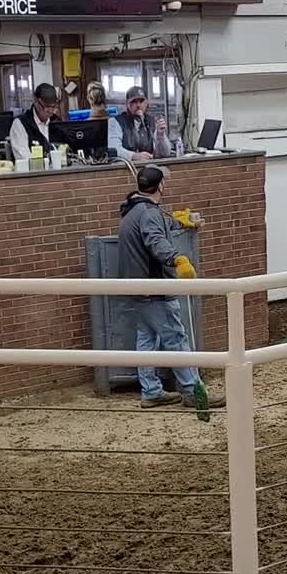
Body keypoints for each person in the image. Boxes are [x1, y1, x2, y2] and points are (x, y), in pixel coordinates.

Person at [117, 165, 225, 410]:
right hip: (156, 289)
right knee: (176, 338)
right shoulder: (149, 213)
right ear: (160, 186)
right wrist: (178, 258)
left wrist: (180, 223)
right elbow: (155, 241)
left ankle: (151, 391)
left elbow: (156, 230)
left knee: (147, 339)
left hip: (138, 288)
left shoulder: (133, 210)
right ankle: (193, 393)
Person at [109, 85, 171, 162]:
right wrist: (133, 156)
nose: (138, 105)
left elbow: (165, 153)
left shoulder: (151, 121)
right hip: (125, 169)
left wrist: (160, 136)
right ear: (127, 104)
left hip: (149, 167)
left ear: (146, 103)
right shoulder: (115, 122)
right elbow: (113, 149)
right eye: (134, 102)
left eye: (141, 101)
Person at [9, 83, 64, 160]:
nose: (50, 111)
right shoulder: (21, 124)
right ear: (35, 101)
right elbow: (23, 158)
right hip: (34, 170)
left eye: (53, 107)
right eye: (46, 106)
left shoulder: (56, 122)